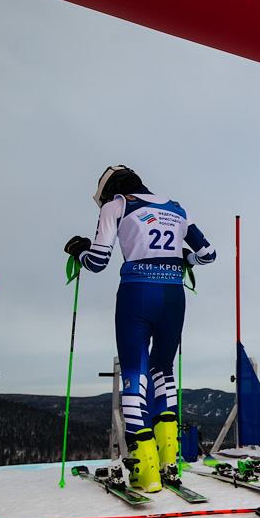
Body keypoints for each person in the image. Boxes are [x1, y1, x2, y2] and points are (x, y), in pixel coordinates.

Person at [65, 166, 216, 492]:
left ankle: (144, 468)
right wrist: (185, 260)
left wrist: (78, 249)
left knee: (135, 373)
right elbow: (208, 254)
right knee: (164, 370)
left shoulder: (117, 205)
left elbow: (97, 262)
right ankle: (169, 461)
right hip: (174, 295)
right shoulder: (176, 208)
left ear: (108, 190)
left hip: (137, 292)